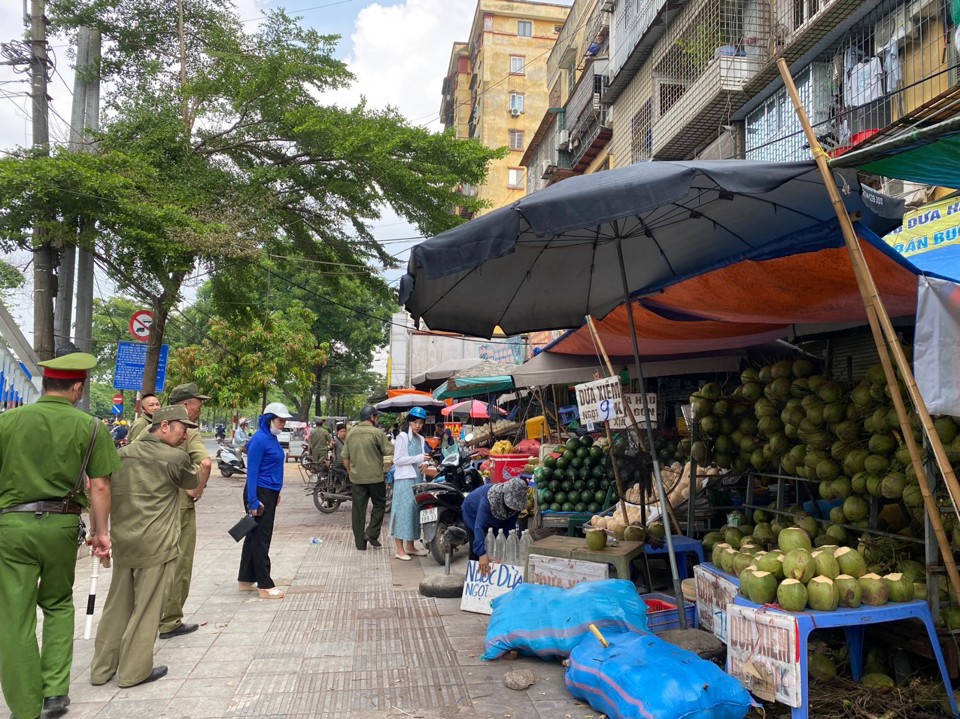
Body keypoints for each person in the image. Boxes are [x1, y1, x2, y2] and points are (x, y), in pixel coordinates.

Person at [0, 348, 120, 719]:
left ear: (45, 384)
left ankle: (24, 707)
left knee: (13, 614)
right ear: (78, 389)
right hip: (61, 525)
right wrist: (102, 534)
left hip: (10, 526)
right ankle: (55, 693)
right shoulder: (92, 427)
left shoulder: (6, 422)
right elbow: (99, 486)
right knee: (57, 603)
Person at [90, 406, 198, 689]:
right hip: (157, 544)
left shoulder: (121, 454)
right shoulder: (175, 457)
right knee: (147, 609)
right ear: (163, 427)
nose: (185, 434)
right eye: (181, 428)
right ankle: (133, 672)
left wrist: (97, 531)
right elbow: (193, 480)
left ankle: (102, 669)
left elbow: (99, 490)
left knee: (117, 606)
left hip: (124, 540)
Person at [158, 382, 212, 639]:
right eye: (197, 404)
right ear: (184, 405)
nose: (200, 408)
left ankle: (147, 617)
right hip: (178, 505)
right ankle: (169, 621)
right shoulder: (188, 432)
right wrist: (196, 489)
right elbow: (205, 462)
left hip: (150, 505)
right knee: (180, 562)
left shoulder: (151, 426)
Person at [238, 402, 293, 599]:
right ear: (269, 419)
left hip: (268, 492)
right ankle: (265, 585)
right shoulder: (260, 440)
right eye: (280, 420)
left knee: (252, 536)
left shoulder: (271, 438)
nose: (283, 423)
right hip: (258, 492)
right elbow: (252, 472)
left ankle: (245, 579)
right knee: (262, 538)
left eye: (284, 420)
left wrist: (276, 492)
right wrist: (253, 500)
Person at [341, 405, 393, 551]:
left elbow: (345, 457)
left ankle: (360, 544)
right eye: (376, 417)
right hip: (375, 478)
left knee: (358, 510)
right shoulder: (377, 433)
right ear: (372, 417)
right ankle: (371, 533)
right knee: (379, 504)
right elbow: (389, 450)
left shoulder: (350, 434)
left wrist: (351, 472)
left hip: (357, 479)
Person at [461, 478, 529, 576]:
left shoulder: (516, 506)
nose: (513, 509)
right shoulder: (489, 499)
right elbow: (478, 526)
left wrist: (504, 548)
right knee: (477, 548)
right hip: (472, 512)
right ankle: (474, 580)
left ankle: (494, 580)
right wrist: (482, 554)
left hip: (496, 519)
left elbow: (509, 527)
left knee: (496, 547)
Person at [389, 407, 431, 561]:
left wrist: (425, 463)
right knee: (402, 513)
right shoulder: (402, 437)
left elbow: (422, 458)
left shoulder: (420, 439)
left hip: (418, 478)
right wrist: (418, 457)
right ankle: (399, 550)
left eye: (421, 422)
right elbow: (397, 460)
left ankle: (411, 546)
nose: (418, 425)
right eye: (415, 422)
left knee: (414, 513)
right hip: (404, 480)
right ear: (409, 422)